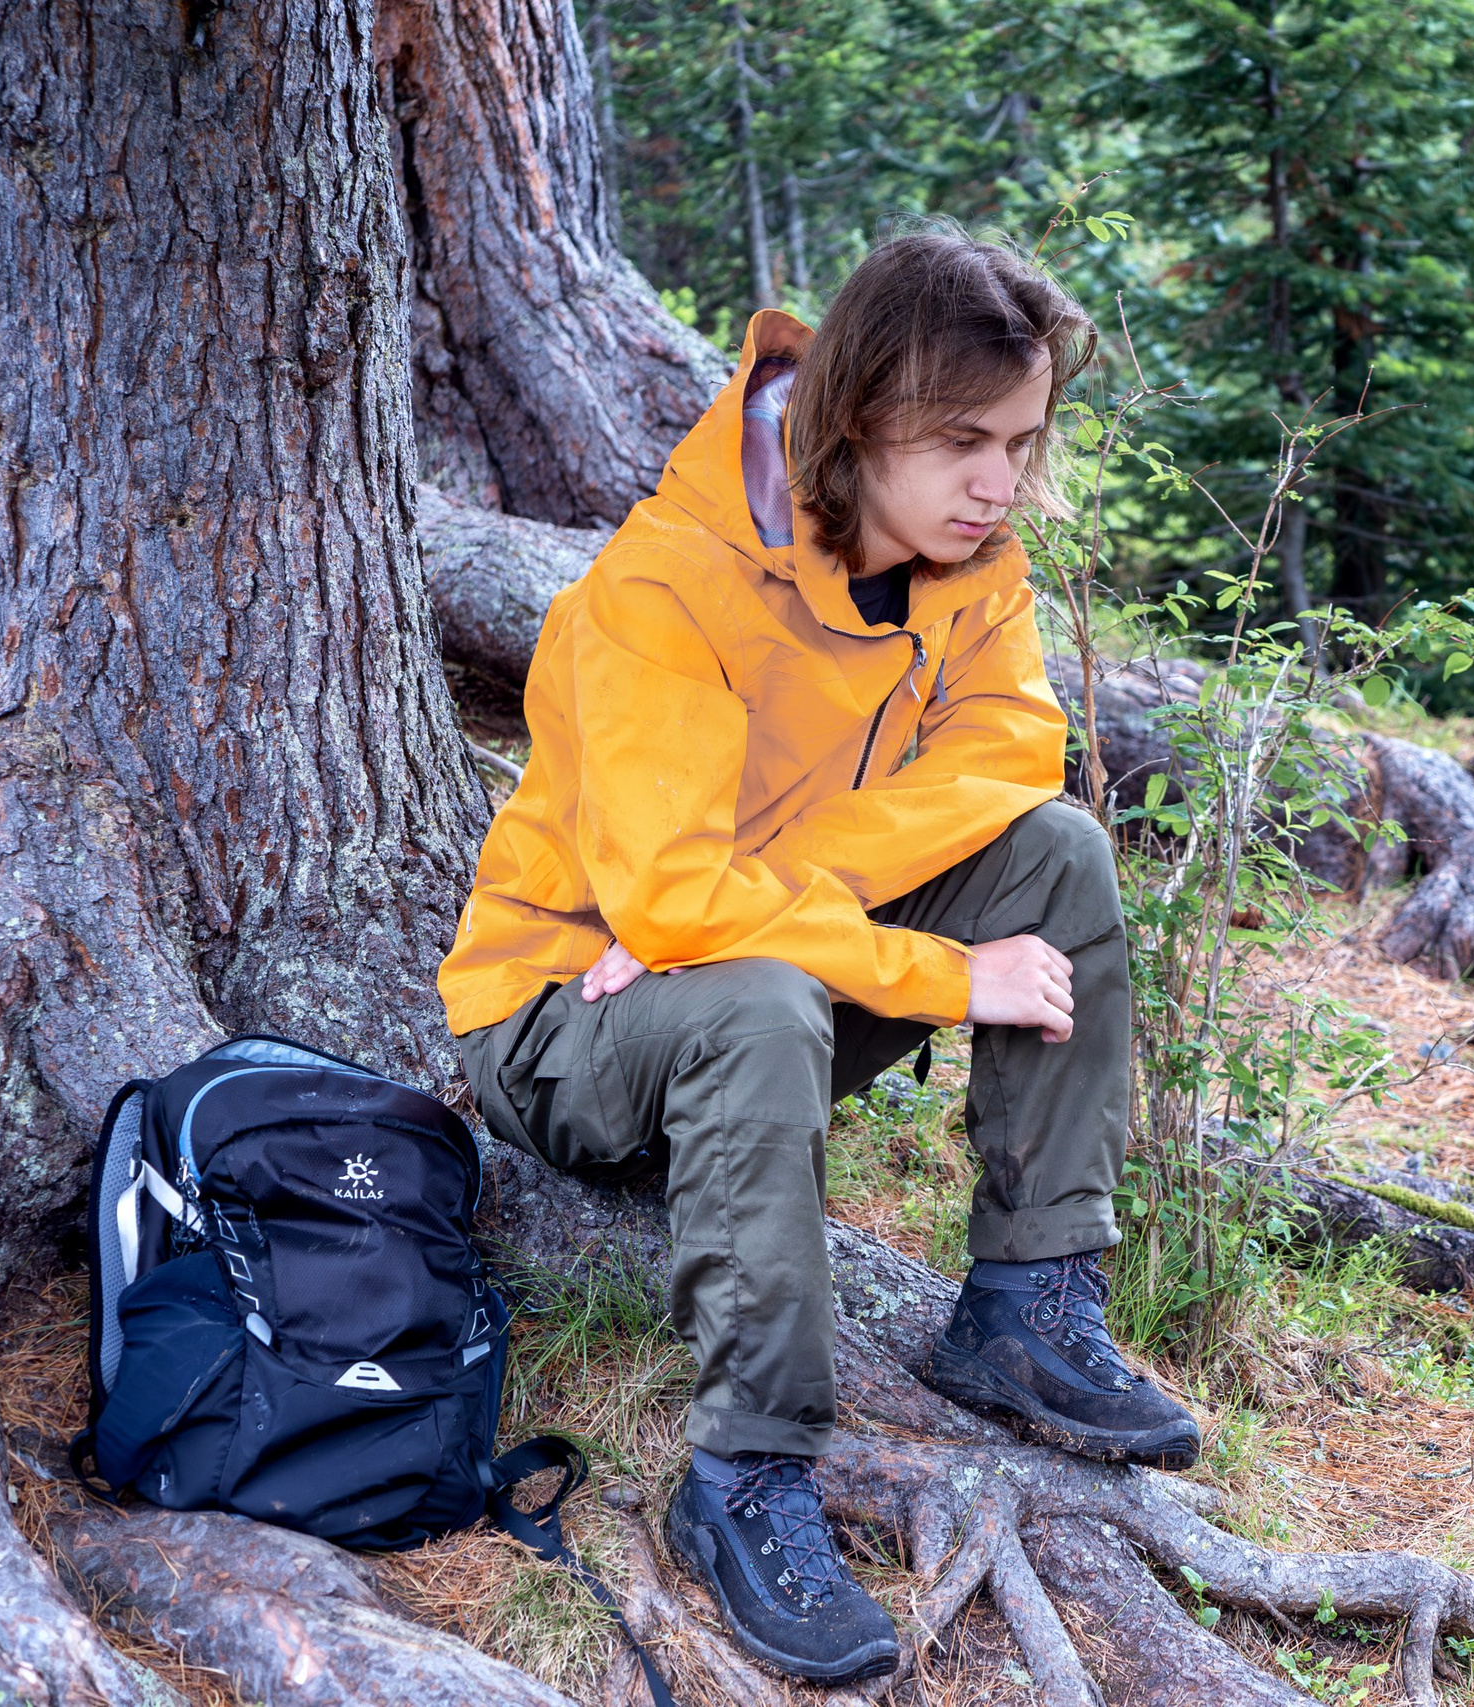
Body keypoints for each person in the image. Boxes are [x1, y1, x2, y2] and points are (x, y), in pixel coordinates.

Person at [437, 230, 1197, 1686]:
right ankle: (744, 1477)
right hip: (559, 1026)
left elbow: (1014, 747)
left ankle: (1031, 1305)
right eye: (966, 442)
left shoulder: (971, 561)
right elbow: (662, 903)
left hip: (749, 971)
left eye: (1025, 441)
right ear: (855, 425)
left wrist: (765, 898)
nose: (1003, 483)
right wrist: (922, 973)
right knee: (761, 997)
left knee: (1058, 854)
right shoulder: (667, 588)